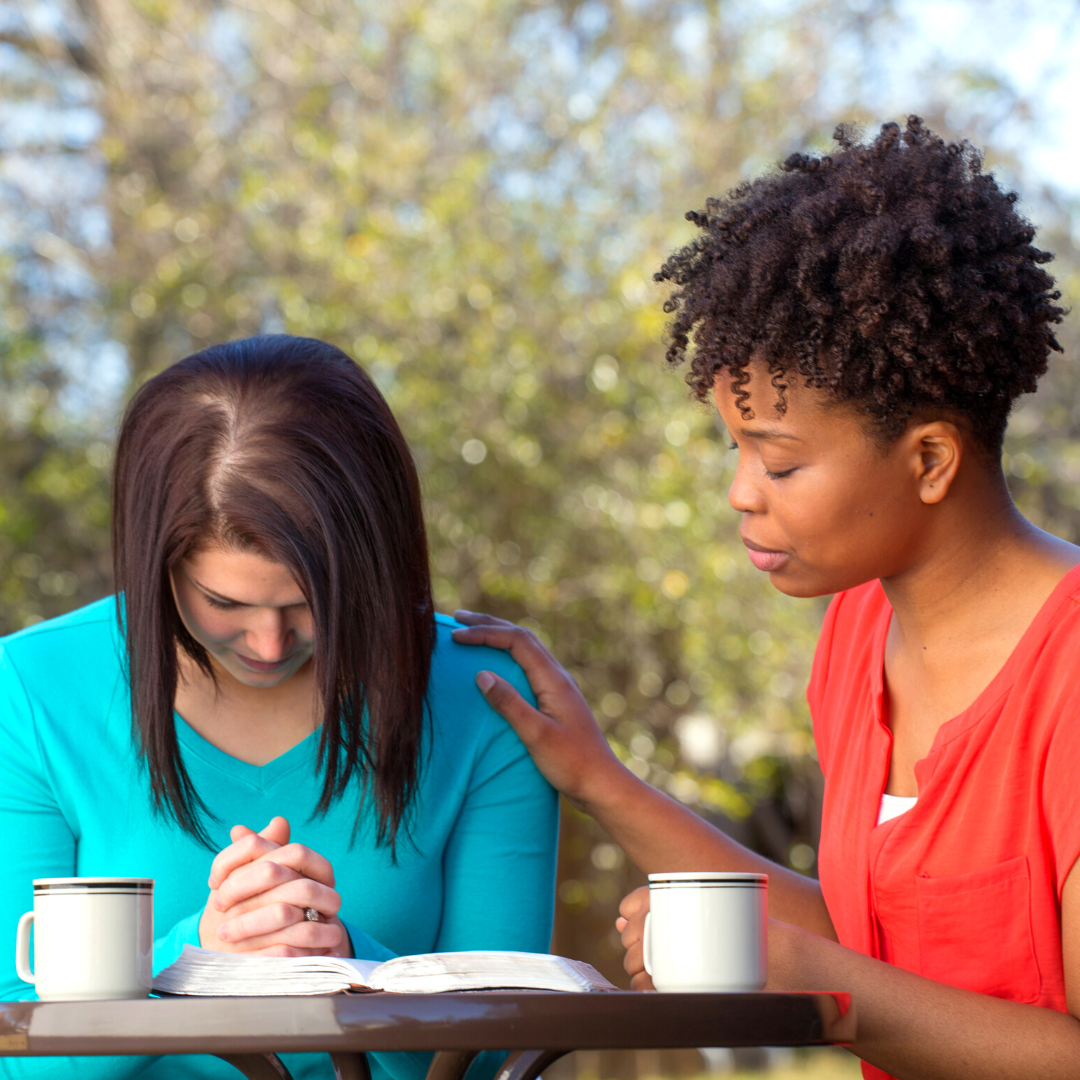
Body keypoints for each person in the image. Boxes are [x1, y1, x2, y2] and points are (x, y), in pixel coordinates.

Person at [452, 118, 1080, 1079]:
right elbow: (874, 934)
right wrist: (598, 780)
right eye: (733, 448)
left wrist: (822, 992)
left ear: (930, 459)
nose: (741, 492)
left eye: (779, 460)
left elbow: (865, 982)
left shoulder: (1067, 675)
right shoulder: (858, 633)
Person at [0, 336, 558, 1080]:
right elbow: (16, 1049)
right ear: (156, 560)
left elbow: (497, 1045)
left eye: (308, 604)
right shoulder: (32, 690)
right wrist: (195, 961)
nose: (268, 642)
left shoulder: (480, 695)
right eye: (223, 602)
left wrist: (346, 966)